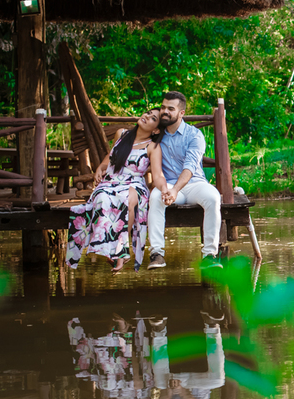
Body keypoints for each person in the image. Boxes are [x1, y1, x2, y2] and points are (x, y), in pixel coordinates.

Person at [67, 109, 167, 272]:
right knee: (102, 198)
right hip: (111, 181)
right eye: (148, 113)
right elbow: (110, 158)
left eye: (153, 118)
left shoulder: (153, 147)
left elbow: (158, 175)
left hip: (134, 184)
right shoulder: (122, 134)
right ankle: (107, 248)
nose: (147, 116)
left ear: (156, 130)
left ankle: (121, 251)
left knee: (128, 197)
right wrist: (101, 168)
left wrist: (164, 189)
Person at [147, 91, 222, 269]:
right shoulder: (156, 134)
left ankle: (209, 255)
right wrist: (168, 189)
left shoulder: (194, 135)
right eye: (163, 107)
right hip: (168, 184)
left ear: (181, 113)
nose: (165, 111)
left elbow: (189, 167)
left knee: (213, 197)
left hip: (195, 184)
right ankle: (157, 254)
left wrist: (175, 190)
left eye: (170, 109)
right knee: (156, 197)